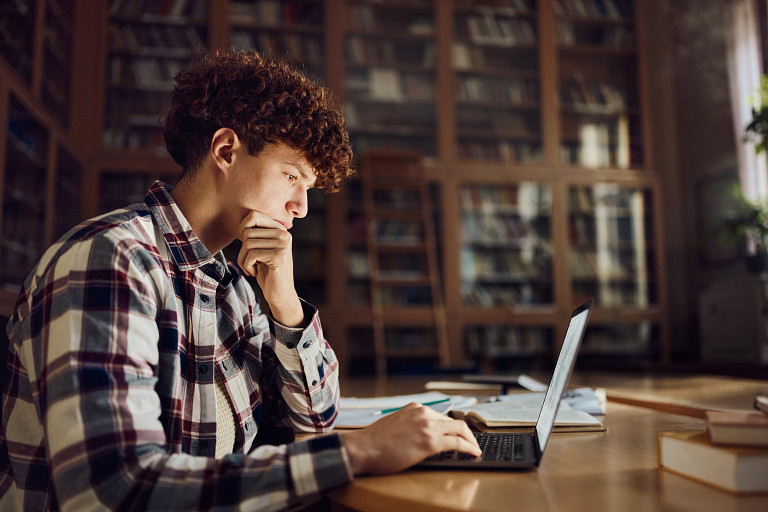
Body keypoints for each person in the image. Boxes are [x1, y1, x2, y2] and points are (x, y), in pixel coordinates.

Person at [0, 49, 480, 511]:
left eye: (308, 188)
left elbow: (316, 420)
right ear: (226, 150)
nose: (302, 207)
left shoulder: (234, 290)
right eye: (292, 176)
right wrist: (359, 452)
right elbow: (113, 493)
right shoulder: (110, 260)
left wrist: (286, 304)